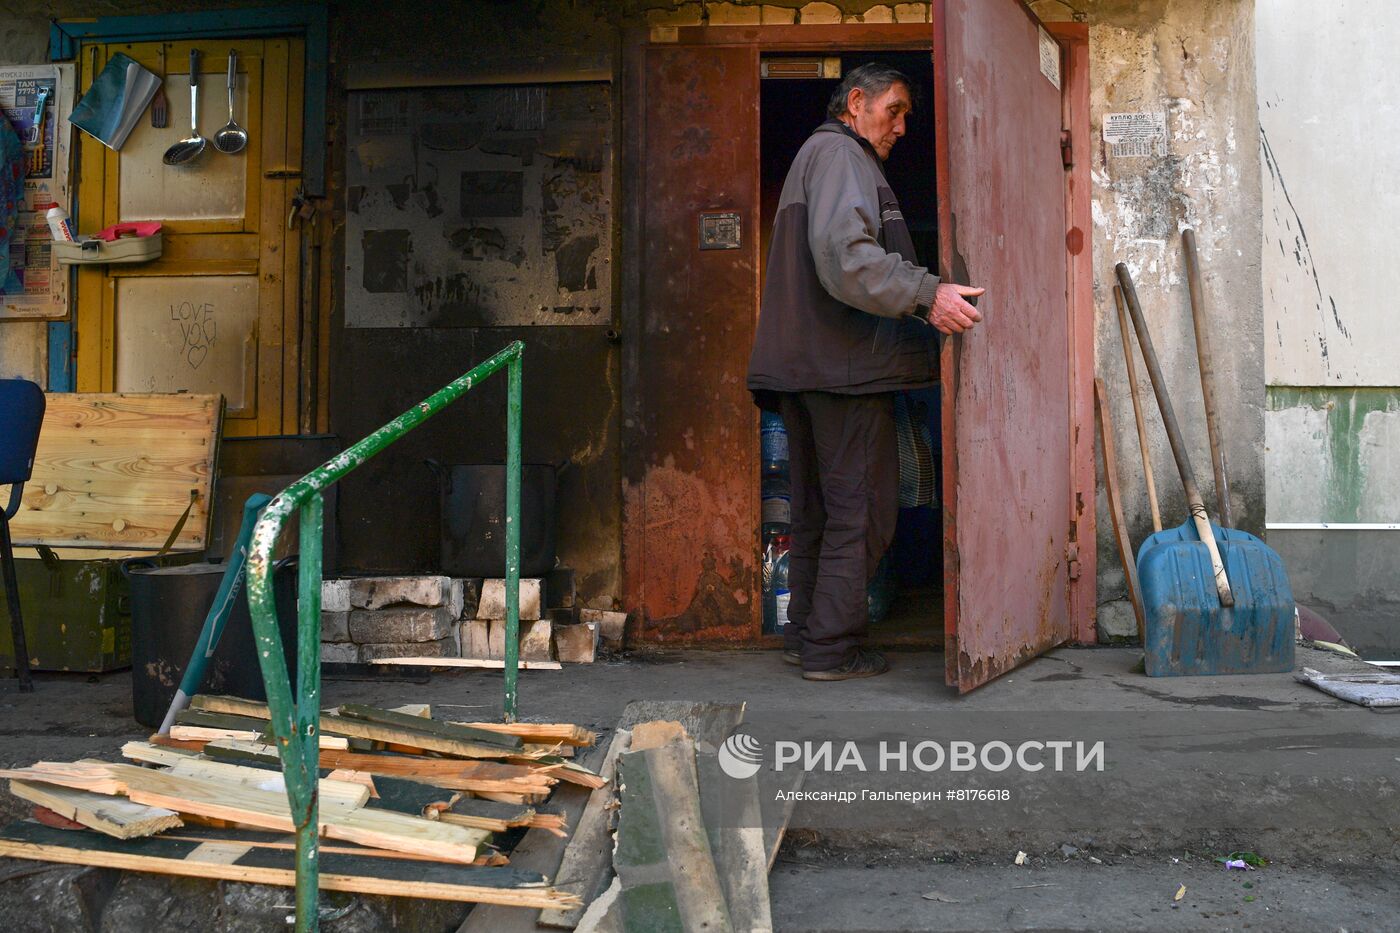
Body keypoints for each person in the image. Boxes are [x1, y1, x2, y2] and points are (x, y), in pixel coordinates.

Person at [746, 63, 985, 681]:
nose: (903, 126)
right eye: (896, 110)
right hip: (842, 369)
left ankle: (807, 637)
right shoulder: (842, 156)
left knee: (820, 511)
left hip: (810, 369)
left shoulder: (819, 158)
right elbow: (846, 260)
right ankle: (832, 649)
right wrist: (926, 293)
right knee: (863, 511)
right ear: (856, 102)